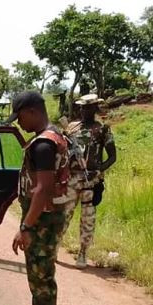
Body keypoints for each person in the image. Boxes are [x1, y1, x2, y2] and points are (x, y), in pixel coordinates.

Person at [8, 91, 70, 305]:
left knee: (41, 278)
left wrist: (26, 227)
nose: (18, 123)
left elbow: (42, 190)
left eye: (20, 117)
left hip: (42, 221)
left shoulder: (43, 145)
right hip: (48, 217)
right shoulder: (55, 134)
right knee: (38, 274)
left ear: (32, 111)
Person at [62, 94, 117, 268]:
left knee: (88, 219)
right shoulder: (71, 127)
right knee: (64, 215)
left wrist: (98, 170)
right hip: (71, 179)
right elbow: (62, 152)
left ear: (94, 108)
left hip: (90, 181)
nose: (83, 110)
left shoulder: (102, 129)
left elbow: (112, 156)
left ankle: (83, 253)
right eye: (82, 107)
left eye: (87, 107)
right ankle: (55, 246)